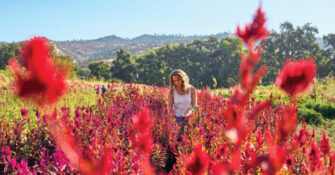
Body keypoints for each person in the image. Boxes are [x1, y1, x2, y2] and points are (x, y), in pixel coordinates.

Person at [168, 69, 197, 138]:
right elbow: (170, 107)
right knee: (178, 139)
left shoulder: (191, 89)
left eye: (178, 80)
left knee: (189, 138)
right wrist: (173, 118)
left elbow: (194, 106)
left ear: (183, 79)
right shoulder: (172, 91)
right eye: (174, 81)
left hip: (189, 118)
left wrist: (188, 114)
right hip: (177, 118)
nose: (176, 82)